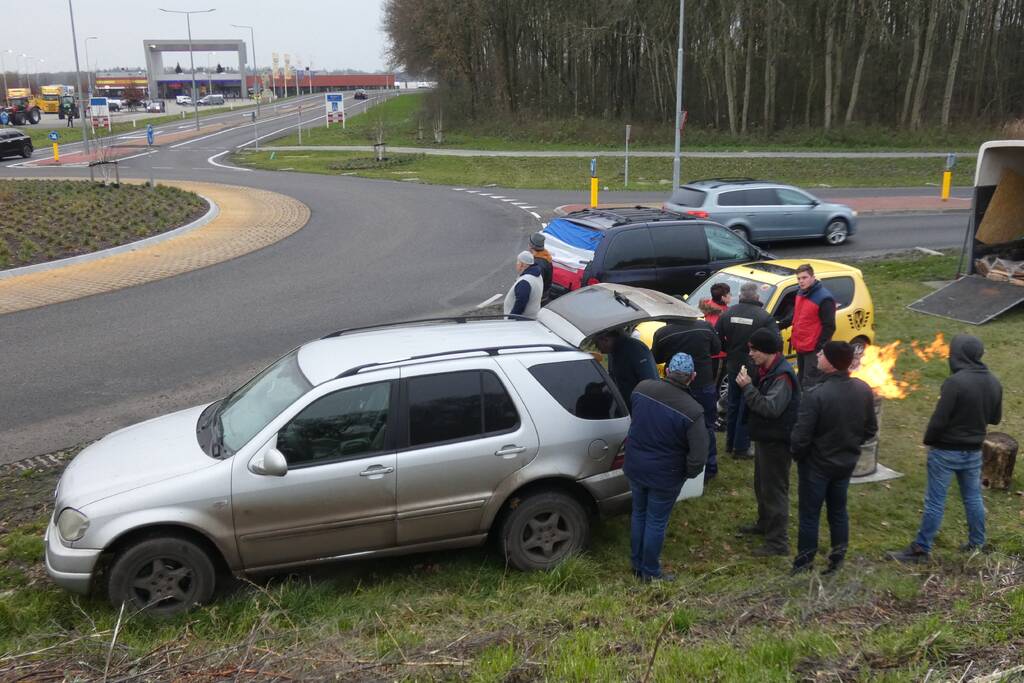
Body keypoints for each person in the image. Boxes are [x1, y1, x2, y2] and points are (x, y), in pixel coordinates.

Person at [887, 334, 1003, 563]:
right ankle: (977, 543)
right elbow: (996, 418)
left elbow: (939, 420)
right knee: (973, 498)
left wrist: (929, 440)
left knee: (935, 501)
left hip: (945, 451)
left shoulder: (955, 382)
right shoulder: (993, 381)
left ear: (959, 355)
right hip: (973, 451)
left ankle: (921, 549)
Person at [790, 341, 877, 575]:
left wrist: (799, 456)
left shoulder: (816, 395)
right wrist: (849, 445)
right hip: (846, 463)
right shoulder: (863, 389)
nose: (818, 354)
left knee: (810, 514)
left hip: (816, 466)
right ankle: (837, 560)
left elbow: (801, 436)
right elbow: (870, 430)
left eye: (822, 353)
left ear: (830, 362)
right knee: (838, 512)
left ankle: (804, 564)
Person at [624, 353, 709, 582]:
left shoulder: (641, 389)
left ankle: (636, 563)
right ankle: (650, 572)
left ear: (666, 371)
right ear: (692, 377)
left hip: (635, 466)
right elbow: (699, 456)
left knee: (639, 514)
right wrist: (686, 474)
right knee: (656, 520)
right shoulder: (693, 411)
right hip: (665, 476)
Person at [735, 328, 800, 556]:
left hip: (778, 442)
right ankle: (764, 524)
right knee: (762, 486)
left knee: (774, 491)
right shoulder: (767, 369)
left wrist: (747, 388)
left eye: (754, 350)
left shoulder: (782, 376)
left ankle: (777, 543)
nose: (750, 354)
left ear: (767, 350)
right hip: (766, 438)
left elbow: (771, 408)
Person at [715, 282, 780, 459]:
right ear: (757, 297)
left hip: (734, 364)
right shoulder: (764, 317)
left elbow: (716, 339)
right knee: (748, 405)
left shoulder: (727, 314)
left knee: (733, 403)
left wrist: (729, 349)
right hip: (753, 366)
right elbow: (777, 342)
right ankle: (741, 448)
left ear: (740, 296)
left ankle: (730, 443)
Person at [652, 316, 722, 480]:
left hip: (676, 386)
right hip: (704, 383)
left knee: (675, 426)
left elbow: (656, 358)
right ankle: (710, 467)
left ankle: (677, 465)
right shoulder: (705, 327)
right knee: (706, 426)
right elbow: (716, 349)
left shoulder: (662, 333)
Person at [779, 264, 836, 390]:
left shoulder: (824, 298)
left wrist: (818, 348)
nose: (801, 281)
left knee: (810, 382)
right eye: (799, 278)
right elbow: (796, 315)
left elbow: (829, 327)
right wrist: (779, 325)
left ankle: (808, 407)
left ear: (813, 277)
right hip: (801, 345)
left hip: (813, 349)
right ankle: (800, 406)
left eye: (804, 278)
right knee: (800, 379)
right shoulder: (800, 292)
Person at [594, 330, 658, 411]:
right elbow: (614, 376)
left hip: (643, 407)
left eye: (597, 344)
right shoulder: (613, 352)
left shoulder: (636, 349)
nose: (598, 349)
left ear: (606, 339)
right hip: (627, 406)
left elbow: (650, 383)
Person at [699, 282, 731, 387]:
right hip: (719, 355)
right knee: (716, 384)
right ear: (723, 297)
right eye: (729, 294)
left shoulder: (705, 307)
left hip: (704, 352)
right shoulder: (725, 315)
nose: (731, 296)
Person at [503, 251, 543, 319]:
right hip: (531, 317)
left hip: (520, 322)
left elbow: (520, 304)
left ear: (522, 265)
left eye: (518, 262)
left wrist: (511, 319)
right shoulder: (538, 276)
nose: (516, 264)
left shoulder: (525, 282)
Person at [528, 232, 553, 302]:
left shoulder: (537, 264)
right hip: (544, 293)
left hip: (539, 297)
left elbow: (535, 285)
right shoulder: (545, 256)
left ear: (531, 246)